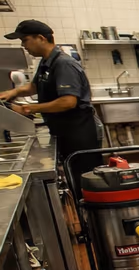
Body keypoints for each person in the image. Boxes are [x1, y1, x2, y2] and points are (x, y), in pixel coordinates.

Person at [0, 20, 102, 178]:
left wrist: (28, 109)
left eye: (25, 40)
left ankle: (92, 202)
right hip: (64, 130)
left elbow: (68, 102)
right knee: (73, 175)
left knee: (86, 176)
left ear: (41, 38)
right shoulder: (47, 62)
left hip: (78, 132)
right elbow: (34, 86)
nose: (23, 46)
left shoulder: (63, 64)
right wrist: (12, 93)